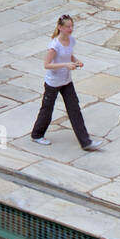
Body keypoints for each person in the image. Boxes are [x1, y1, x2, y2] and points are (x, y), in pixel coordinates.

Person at [30, 14, 101, 151]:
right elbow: (47, 65)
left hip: (67, 81)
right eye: (68, 27)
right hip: (53, 83)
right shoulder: (54, 46)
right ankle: (37, 134)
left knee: (74, 109)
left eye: (72, 26)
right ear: (60, 28)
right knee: (47, 109)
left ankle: (85, 142)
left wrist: (75, 61)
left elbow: (69, 55)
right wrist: (65, 65)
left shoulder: (71, 40)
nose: (70, 29)